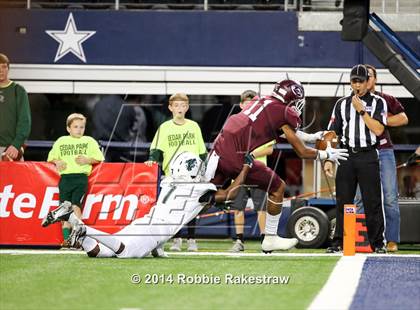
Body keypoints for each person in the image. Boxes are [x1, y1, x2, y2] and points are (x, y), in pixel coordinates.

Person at [206, 79, 349, 253]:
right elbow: (302, 152)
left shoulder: (262, 100)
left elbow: (288, 131)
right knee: (277, 186)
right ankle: (270, 238)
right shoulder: (284, 112)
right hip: (238, 157)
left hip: (219, 150)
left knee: (202, 196)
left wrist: (313, 137)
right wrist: (327, 154)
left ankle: (165, 229)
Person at [42, 151, 254, 258]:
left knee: (104, 252)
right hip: (154, 230)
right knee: (123, 253)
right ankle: (82, 228)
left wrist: (157, 249)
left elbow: (192, 205)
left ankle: (70, 217)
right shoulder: (200, 189)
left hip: (145, 221)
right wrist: (245, 167)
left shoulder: (170, 180)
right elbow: (228, 194)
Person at [324, 64, 387, 253]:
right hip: (346, 155)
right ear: (350, 82)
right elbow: (332, 133)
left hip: (368, 154)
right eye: (354, 81)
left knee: (372, 201)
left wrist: (361, 111)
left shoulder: (378, 102)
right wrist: (328, 157)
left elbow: (378, 130)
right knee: (343, 200)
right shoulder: (341, 104)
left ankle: (377, 243)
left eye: (361, 81)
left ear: (369, 82)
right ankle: (338, 242)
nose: (357, 85)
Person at [354, 64, 408, 252]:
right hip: (361, 152)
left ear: (374, 80)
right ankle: (362, 240)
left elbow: (403, 118)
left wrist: (381, 120)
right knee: (360, 197)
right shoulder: (351, 101)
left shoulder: (385, 99)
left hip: (384, 151)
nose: (365, 79)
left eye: (368, 76)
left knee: (390, 197)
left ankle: (392, 240)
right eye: (361, 77)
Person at [145, 93, 207, 252]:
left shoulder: (193, 126)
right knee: (173, 209)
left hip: (192, 176)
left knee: (191, 208)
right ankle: (176, 240)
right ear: (170, 108)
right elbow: (156, 149)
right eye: (176, 105)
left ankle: (192, 240)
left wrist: (203, 168)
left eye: (183, 105)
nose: (179, 108)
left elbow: (201, 151)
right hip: (172, 176)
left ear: (187, 107)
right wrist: (152, 159)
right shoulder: (164, 127)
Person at [43, 113, 105, 245]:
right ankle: (66, 239)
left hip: (80, 179)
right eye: (76, 127)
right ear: (68, 128)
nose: (79, 129)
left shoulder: (89, 141)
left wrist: (88, 159)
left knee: (76, 206)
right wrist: (57, 161)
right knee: (64, 209)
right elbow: (51, 157)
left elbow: (100, 158)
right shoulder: (61, 141)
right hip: (65, 179)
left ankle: (78, 239)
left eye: (82, 127)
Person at [230, 90, 273, 252]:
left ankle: (265, 241)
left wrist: (251, 154)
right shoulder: (233, 124)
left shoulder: (264, 125)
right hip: (238, 172)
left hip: (258, 172)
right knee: (237, 207)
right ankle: (239, 241)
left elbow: (269, 149)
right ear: (241, 105)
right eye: (246, 104)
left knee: (261, 207)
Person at [0, 53, 31, 161]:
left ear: (8, 68)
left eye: (4, 67)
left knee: (13, 178)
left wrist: (16, 144)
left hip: (11, 150)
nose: (1, 70)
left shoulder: (18, 90)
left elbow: (25, 121)